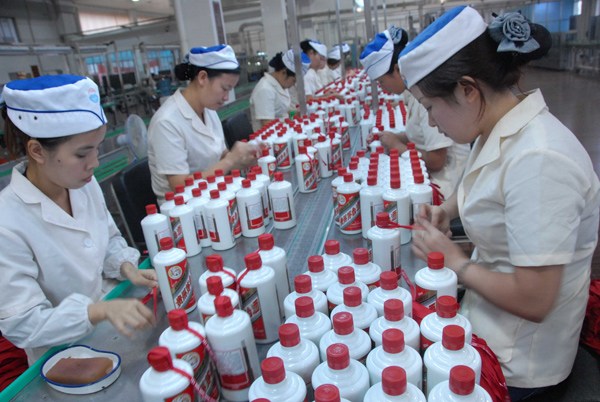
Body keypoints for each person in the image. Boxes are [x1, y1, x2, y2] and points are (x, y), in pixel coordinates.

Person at [400, 6, 600, 400]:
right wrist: (447, 210)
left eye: (430, 107)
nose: (433, 123)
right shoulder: (496, 128)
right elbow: (484, 181)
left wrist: (456, 262)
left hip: (520, 362)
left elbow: (535, 298)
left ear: (467, 89)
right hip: (485, 319)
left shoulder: (540, 160)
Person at [0, 75, 158, 364]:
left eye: (97, 148)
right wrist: (96, 311)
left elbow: (108, 237)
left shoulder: (82, 183)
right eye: (83, 153)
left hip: (113, 327)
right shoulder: (7, 222)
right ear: (37, 151)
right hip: (64, 357)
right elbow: (22, 323)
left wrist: (125, 267)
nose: (95, 163)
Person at [360, 26, 470, 199]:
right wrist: (394, 136)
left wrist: (398, 147)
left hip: (446, 187)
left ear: (397, 70)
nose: (383, 88)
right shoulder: (412, 94)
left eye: (382, 81)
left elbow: (437, 161)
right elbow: (418, 134)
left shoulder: (426, 98)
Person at [147, 45, 260, 204]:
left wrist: (243, 158)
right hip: (184, 210)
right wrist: (230, 161)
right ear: (202, 78)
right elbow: (179, 186)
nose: (226, 97)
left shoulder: (209, 111)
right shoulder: (167, 122)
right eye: (224, 88)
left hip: (213, 196)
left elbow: (220, 154)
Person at [249, 49, 310, 131]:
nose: (293, 84)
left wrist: (296, 114)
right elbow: (267, 125)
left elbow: (283, 113)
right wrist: (293, 123)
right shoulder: (265, 89)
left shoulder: (281, 84)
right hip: (269, 139)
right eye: (293, 80)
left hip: (283, 132)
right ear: (284, 72)